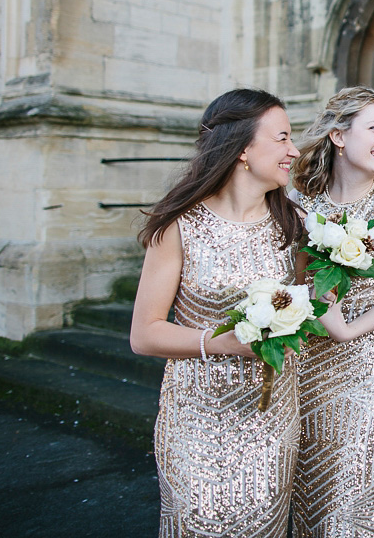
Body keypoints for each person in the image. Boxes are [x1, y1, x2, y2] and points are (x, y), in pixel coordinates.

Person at [130, 89, 303, 538]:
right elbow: (144, 334)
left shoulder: (295, 227)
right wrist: (217, 342)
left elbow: (314, 312)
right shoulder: (179, 225)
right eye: (282, 138)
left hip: (270, 419)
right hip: (195, 418)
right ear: (244, 148)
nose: (294, 150)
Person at [288, 86, 374, 536]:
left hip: (369, 374)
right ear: (339, 136)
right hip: (307, 371)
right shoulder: (301, 201)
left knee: (355, 503)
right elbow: (292, 281)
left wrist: (348, 330)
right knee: (312, 498)